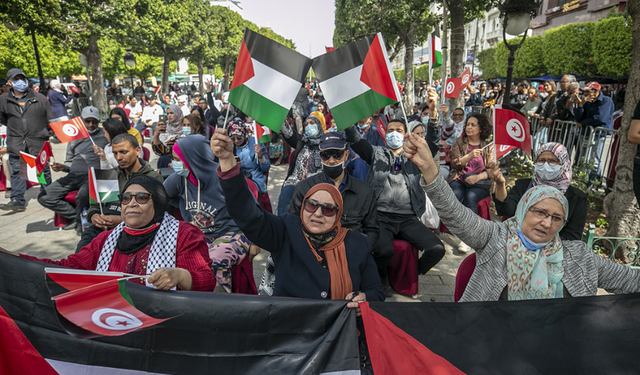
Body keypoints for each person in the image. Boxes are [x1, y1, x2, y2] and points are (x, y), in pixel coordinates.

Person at [403, 133, 640, 302]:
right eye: (540, 212)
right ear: (524, 209)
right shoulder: (495, 237)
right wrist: (431, 171)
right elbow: (455, 214)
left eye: (557, 218)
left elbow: (630, 279)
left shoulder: (580, 256)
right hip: (489, 345)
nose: (547, 223)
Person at [212, 128, 384, 307]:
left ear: (337, 215)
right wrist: (227, 162)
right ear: (302, 207)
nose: (317, 213)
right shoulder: (286, 231)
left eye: (327, 209)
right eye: (311, 205)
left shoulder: (357, 243)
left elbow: (375, 292)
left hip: (338, 330)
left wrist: (364, 300)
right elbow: (247, 214)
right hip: (290, 328)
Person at [23, 175, 214, 291]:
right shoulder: (105, 240)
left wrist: (180, 276)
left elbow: (206, 282)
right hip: (112, 321)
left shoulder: (184, 234)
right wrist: (15, 259)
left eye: (141, 197)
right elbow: (67, 267)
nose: (131, 203)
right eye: (125, 198)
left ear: (158, 202)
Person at [345, 88, 444, 296]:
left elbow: (433, 143)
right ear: (384, 133)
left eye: (399, 131)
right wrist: (347, 112)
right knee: (383, 250)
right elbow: (354, 138)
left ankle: (410, 273)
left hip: (408, 218)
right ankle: (379, 276)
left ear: (405, 134)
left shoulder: (415, 155)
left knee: (437, 249)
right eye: (390, 130)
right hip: (380, 217)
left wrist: (433, 113)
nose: (394, 134)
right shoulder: (376, 153)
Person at [164, 135, 248, 293]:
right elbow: (161, 197)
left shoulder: (222, 178)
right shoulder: (178, 179)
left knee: (214, 260)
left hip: (232, 233)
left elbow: (249, 207)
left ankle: (216, 307)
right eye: (173, 158)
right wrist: (181, 203)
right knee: (176, 260)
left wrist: (256, 240)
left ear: (193, 159)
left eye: (177, 159)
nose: (173, 164)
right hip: (199, 235)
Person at [79, 134, 164, 251]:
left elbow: (158, 215)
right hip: (101, 229)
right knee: (82, 251)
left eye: (124, 152)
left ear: (137, 151)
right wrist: (94, 216)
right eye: (115, 153)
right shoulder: (108, 175)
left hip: (135, 232)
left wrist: (122, 220)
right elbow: (94, 207)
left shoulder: (152, 178)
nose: (118, 157)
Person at [491, 142, 587, 241]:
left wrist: (539, 246)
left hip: (552, 252)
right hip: (516, 243)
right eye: (541, 160)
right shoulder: (523, 186)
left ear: (563, 163)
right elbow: (506, 210)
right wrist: (500, 183)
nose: (546, 165)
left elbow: (572, 237)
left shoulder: (576, 198)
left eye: (553, 161)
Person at [36, 106, 108, 230]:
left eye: (94, 121)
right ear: (82, 120)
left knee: (83, 195)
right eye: (87, 121)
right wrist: (62, 167)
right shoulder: (75, 136)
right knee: (44, 197)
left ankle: (81, 223)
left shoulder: (105, 135)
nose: (91, 125)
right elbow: (69, 162)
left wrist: (102, 154)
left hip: (93, 175)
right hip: (73, 175)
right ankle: (77, 217)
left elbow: (112, 157)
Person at [0, 68, 54, 212]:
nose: (19, 82)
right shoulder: (3, 100)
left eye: (21, 79)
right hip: (17, 142)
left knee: (42, 170)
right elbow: (4, 119)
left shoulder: (40, 98)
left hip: (38, 141)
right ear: (9, 83)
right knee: (17, 171)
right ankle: (17, 200)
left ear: (26, 81)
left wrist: (46, 134)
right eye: (15, 79)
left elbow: (50, 118)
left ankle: (49, 196)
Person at [447, 113, 494, 253]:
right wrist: (468, 157)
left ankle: (468, 238)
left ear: (481, 128)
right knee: (455, 193)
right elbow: (454, 164)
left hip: (479, 182)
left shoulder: (488, 145)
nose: (469, 127)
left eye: (473, 125)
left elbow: (492, 170)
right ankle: (449, 226)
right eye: (468, 124)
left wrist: (478, 178)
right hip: (460, 177)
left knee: (471, 196)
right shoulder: (460, 141)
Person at [277, 111, 326, 215]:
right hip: (295, 182)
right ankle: (282, 227)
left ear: (319, 125)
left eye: (312, 123)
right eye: (306, 124)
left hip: (316, 184)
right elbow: (287, 131)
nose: (308, 126)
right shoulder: (301, 141)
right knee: (285, 196)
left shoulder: (326, 145)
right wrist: (278, 113)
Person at [574, 82, 615, 182]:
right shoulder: (587, 101)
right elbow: (578, 118)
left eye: (586, 91)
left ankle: (594, 183)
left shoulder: (606, 101)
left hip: (598, 134)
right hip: (585, 133)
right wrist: (581, 105)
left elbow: (601, 118)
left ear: (595, 91)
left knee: (594, 160)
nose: (584, 94)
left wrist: (583, 123)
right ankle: (583, 182)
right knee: (584, 159)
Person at [228, 119, 270, 196]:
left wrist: (260, 155)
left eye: (239, 138)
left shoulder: (255, 143)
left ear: (244, 134)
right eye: (233, 138)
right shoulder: (229, 145)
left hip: (255, 178)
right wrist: (232, 163)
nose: (236, 141)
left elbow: (266, 168)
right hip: (236, 178)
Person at [152, 104, 184, 168]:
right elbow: (159, 149)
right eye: (167, 113)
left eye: (172, 113)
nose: (169, 115)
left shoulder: (185, 125)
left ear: (178, 113)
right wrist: (156, 134)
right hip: (167, 154)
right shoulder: (166, 126)